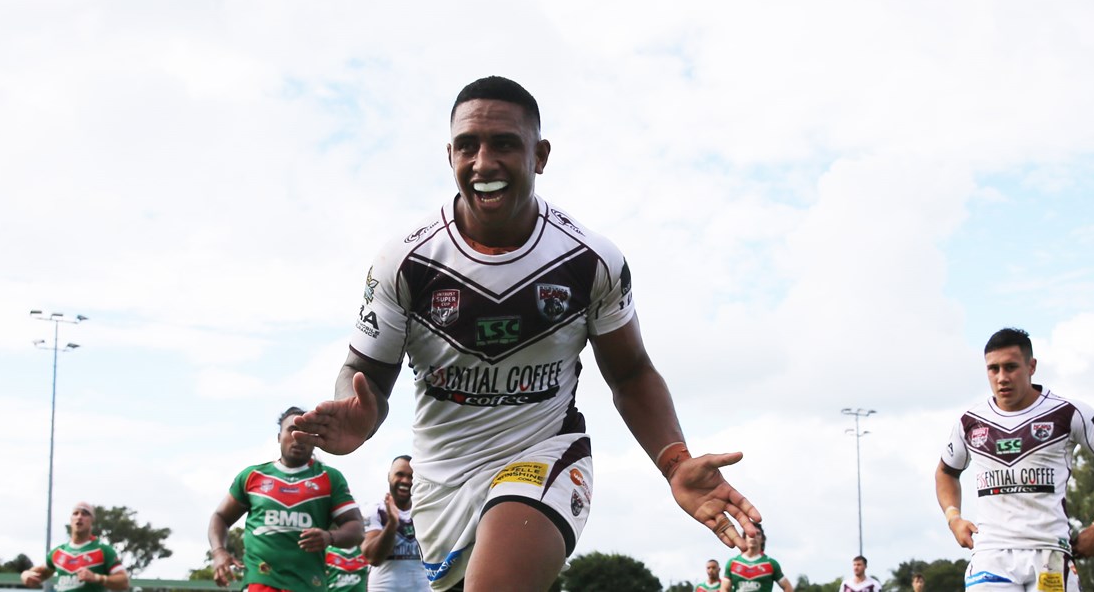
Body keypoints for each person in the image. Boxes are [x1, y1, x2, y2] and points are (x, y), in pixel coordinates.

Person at [295, 76, 762, 591]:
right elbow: (366, 376)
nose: (483, 163)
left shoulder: (589, 260)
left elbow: (630, 373)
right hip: (442, 480)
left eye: (504, 144)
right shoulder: (403, 262)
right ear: (449, 154)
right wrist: (357, 414)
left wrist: (674, 461)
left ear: (539, 156)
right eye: (468, 146)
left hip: (545, 455)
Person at [935, 328, 1094, 592]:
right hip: (990, 554)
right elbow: (945, 472)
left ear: (1031, 366)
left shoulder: (1068, 412)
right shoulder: (970, 421)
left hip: (1049, 553)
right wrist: (954, 518)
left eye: (1011, 367)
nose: (1002, 378)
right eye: (994, 369)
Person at [209, 407, 366, 592]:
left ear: (315, 440)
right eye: (292, 430)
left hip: (308, 585)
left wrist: (329, 537)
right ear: (278, 437)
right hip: (260, 582)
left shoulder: (329, 478)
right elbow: (220, 517)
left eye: (306, 432)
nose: (298, 437)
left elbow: (356, 529)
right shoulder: (252, 476)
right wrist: (219, 551)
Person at [19, 502, 129, 592]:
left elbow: (124, 582)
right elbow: (39, 574)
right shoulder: (59, 552)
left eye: (85, 514)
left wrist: (97, 577)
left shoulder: (103, 550)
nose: (79, 517)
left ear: (92, 520)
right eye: (75, 513)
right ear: (71, 519)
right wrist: (25, 574)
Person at [362, 455, 426, 591]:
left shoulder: (425, 511)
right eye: (400, 474)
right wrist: (392, 524)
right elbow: (373, 558)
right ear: (389, 477)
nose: (405, 481)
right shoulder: (374, 510)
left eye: (411, 476)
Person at [721, 527, 791, 592]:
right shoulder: (733, 563)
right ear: (744, 538)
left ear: (762, 539)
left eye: (757, 533)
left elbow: (787, 587)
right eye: (749, 534)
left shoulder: (771, 563)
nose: (753, 536)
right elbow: (724, 588)